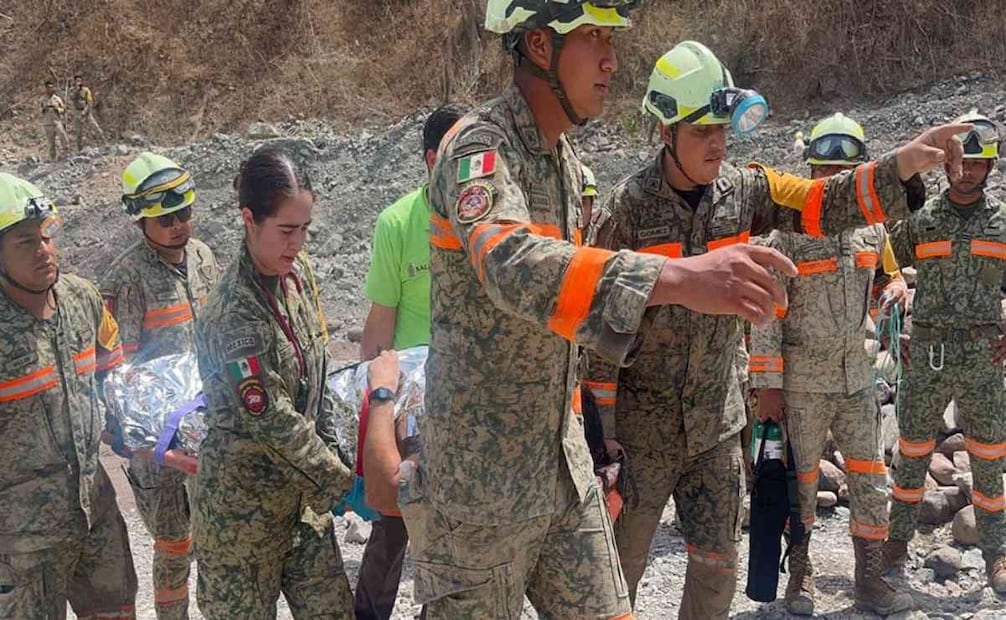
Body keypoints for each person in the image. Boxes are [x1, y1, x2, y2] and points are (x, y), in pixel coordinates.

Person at [410, 3, 962, 617]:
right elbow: (509, 262)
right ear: (539, 46)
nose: (611, 59)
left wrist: (902, 165)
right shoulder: (479, 150)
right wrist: (677, 280)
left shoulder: (565, 165)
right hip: (481, 485)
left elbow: (816, 201)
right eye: (592, 37)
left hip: (566, 468)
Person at [583, 40, 970, 619]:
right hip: (644, 433)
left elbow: (822, 201)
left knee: (717, 573)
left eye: (722, 128)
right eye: (699, 131)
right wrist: (602, 434)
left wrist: (903, 164)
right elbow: (596, 332)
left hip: (716, 425)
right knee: (623, 573)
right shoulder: (627, 210)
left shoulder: (749, 190)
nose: (717, 143)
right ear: (665, 133)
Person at [749, 113, 912, 615]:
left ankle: (871, 578)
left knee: (870, 475)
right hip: (801, 384)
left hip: (856, 378)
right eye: (823, 172)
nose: (832, 182)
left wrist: (897, 291)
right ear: (811, 173)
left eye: (843, 174)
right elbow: (767, 314)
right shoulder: (788, 235)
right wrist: (768, 385)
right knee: (801, 482)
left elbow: (884, 282)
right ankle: (800, 577)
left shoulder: (871, 230)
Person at [193, 147, 354, 618]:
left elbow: (317, 366)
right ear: (248, 219)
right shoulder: (233, 312)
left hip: (301, 508)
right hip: (241, 518)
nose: (298, 243)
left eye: (304, 229)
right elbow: (269, 415)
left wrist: (337, 445)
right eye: (286, 230)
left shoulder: (296, 275)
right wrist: (341, 479)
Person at [0, 172, 137, 618]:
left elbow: (111, 367)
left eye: (47, 236)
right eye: (25, 243)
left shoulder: (81, 298)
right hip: (21, 544)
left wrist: (138, 428)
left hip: (94, 514)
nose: (44, 251)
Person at [885, 110, 1006, 594]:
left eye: (979, 163)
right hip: (928, 357)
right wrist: (896, 324)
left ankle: (996, 553)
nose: (968, 171)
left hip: (982, 359)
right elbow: (883, 263)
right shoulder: (924, 219)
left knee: (990, 458)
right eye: (961, 161)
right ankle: (894, 548)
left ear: (990, 168)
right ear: (947, 162)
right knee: (911, 453)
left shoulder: (1000, 224)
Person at [356, 103, 467, 620]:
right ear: (430, 160)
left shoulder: (490, 222)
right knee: (396, 521)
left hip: (472, 399)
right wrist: (373, 412)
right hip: (412, 405)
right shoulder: (397, 223)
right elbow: (379, 327)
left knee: (458, 527)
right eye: (457, 155)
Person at [100, 152, 220, 619]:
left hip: (208, 432)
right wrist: (151, 445)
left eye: (184, 213)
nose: (177, 224)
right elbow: (119, 372)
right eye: (165, 217)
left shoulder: (204, 257)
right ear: (140, 219)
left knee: (215, 541)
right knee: (173, 547)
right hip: (160, 445)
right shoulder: (126, 279)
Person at [71, 74, 106, 151]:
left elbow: (90, 102)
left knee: (95, 127)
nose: (78, 82)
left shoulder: (86, 90)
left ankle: (104, 143)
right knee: (79, 132)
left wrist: (86, 111)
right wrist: (76, 90)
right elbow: (72, 97)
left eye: (80, 81)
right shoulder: (72, 90)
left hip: (86, 111)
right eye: (77, 81)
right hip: (77, 112)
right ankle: (79, 149)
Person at [39, 80, 70, 161]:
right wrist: (44, 108)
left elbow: (64, 109)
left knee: (63, 137)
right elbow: (39, 111)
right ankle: (53, 159)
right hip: (47, 123)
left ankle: (66, 155)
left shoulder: (57, 98)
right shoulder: (42, 99)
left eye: (52, 87)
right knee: (51, 143)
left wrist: (57, 109)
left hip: (57, 122)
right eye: (49, 88)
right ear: (46, 88)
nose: (51, 89)